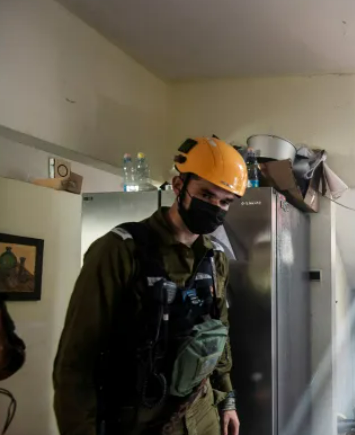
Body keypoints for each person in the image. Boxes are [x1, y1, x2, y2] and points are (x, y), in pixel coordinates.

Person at [53, 137, 247, 435]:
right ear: (179, 185)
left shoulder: (214, 258)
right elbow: (76, 360)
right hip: (138, 421)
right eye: (206, 194)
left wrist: (227, 400)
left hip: (202, 414)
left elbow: (218, 333)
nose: (215, 207)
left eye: (225, 202)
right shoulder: (119, 251)